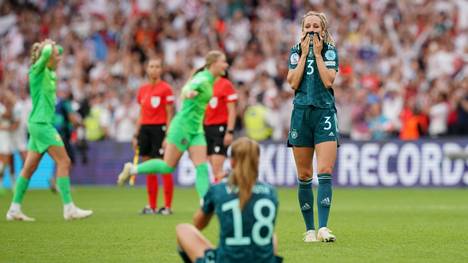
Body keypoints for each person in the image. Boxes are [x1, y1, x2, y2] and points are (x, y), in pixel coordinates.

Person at [117, 50, 229, 201]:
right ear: (214, 64)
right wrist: (188, 93)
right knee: (167, 166)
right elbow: (186, 88)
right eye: (223, 61)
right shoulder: (203, 78)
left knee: (202, 167)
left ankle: (204, 204)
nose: (226, 65)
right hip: (182, 127)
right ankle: (132, 169)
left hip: (196, 130)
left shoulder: (209, 79)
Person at [5, 39, 93, 221]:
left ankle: (14, 209)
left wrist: (52, 47)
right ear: (45, 57)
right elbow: (46, 55)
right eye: (55, 56)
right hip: (42, 125)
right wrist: (47, 47)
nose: (59, 58)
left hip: (38, 124)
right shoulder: (37, 71)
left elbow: (57, 50)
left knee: (29, 168)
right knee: (64, 161)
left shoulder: (49, 72)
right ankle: (69, 208)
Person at [175, 137, 282, 263]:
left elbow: (198, 223)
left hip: (227, 259)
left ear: (232, 162)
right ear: (257, 161)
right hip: (262, 260)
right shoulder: (270, 192)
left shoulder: (219, 189)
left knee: (183, 229)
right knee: (272, 237)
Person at [286, 11, 339, 242]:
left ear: (323, 30)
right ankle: (309, 229)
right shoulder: (295, 52)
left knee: (325, 171)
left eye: (316, 26)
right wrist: (305, 53)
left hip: (324, 113)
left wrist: (316, 54)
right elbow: (292, 82)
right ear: (302, 29)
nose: (311, 30)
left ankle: (323, 227)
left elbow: (328, 81)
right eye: (308, 26)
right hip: (301, 114)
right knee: (304, 174)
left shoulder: (329, 51)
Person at [133, 57, 175, 215]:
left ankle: (168, 206)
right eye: (151, 66)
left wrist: (168, 135)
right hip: (145, 129)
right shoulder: (142, 89)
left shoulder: (166, 89)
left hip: (160, 129)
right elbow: (141, 113)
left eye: (157, 66)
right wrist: (135, 134)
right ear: (147, 69)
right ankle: (151, 206)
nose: (154, 69)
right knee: (148, 167)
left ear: (161, 69)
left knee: (165, 167)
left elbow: (170, 113)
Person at [203, 75, 237, 182]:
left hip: (220, 128)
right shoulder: (204, 84)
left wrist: (229, 131)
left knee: (217, 167)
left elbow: (232, 110)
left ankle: (224, 188)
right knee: (213, 167)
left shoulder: (226, 84)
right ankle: (227, 179)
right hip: (206, 128)